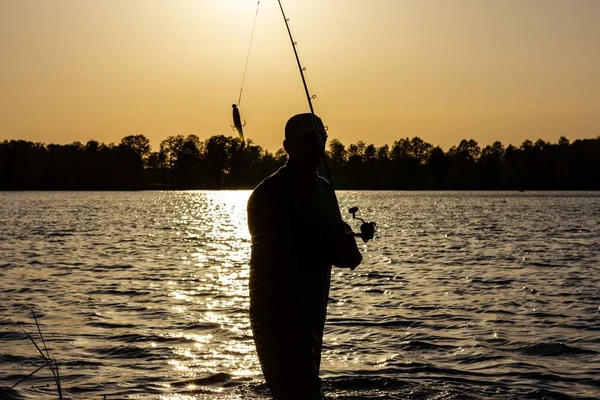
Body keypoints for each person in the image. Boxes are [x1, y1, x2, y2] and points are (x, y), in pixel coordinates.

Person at [247, 113, 363, 399]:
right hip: (277, 316)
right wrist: (328, 239)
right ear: (288, 146)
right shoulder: (267, 194)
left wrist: (348, 247)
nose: (318, 144)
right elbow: (281, 254)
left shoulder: (324, 189)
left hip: (313, 314)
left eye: (322, 136)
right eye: (309, 138)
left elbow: (341, 253)